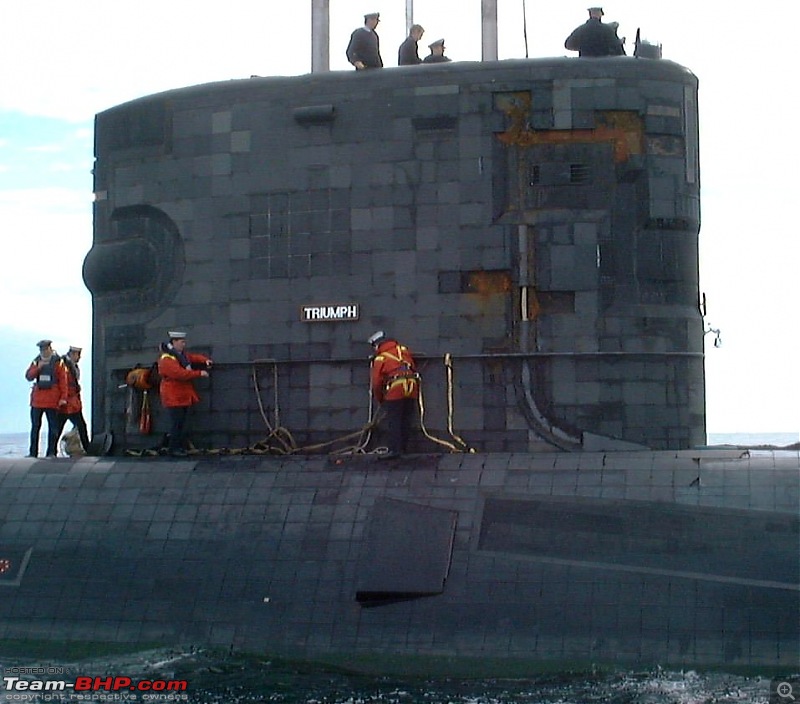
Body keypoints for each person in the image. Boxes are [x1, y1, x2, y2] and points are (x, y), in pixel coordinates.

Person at [157, 331, 213, 457]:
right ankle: (174, 449)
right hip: (173, 396)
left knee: (181, 423)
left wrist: (205, 360)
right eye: (182, 342)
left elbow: (192, 357)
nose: (184, 344)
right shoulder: (166, 359)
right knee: (177, 423)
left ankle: (178, 446)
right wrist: (199, 373)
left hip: (182, 396)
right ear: (174, 342)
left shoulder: (180, 355)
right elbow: (179, 374)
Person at [368, 331, 420, 459]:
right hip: (412, 385)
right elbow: (412, 366)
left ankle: (395, 450)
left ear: (377, 345)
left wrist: (381, 399)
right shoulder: (403, 350)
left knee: (394, 420)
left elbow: (376, 382)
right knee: (406, 418)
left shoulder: (381, 358)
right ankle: (404, 448)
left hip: (396, 387)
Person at [25, 339, 66, 458]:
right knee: (35, 427)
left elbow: (63, 381)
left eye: (45, 349)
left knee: (53, 428)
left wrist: (63, 398)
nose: (43, 352)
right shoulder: (36, 361)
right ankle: (33, 453)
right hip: (37, 401)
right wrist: (38, 368)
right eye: (41, 349)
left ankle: (52, 452)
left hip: (52, 401)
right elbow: (28, 376)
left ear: (50, 348)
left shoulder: (58, 362)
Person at [55, 346, 91, 455]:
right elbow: (63, 384)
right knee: (60, 428)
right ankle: (51, 450)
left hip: (72, 404)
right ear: (72, 354)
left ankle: (88, 449)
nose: (79, 357)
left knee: (79, 426)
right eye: (78, 355)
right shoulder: (63, 365)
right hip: (66, 403)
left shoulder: (73, 366)